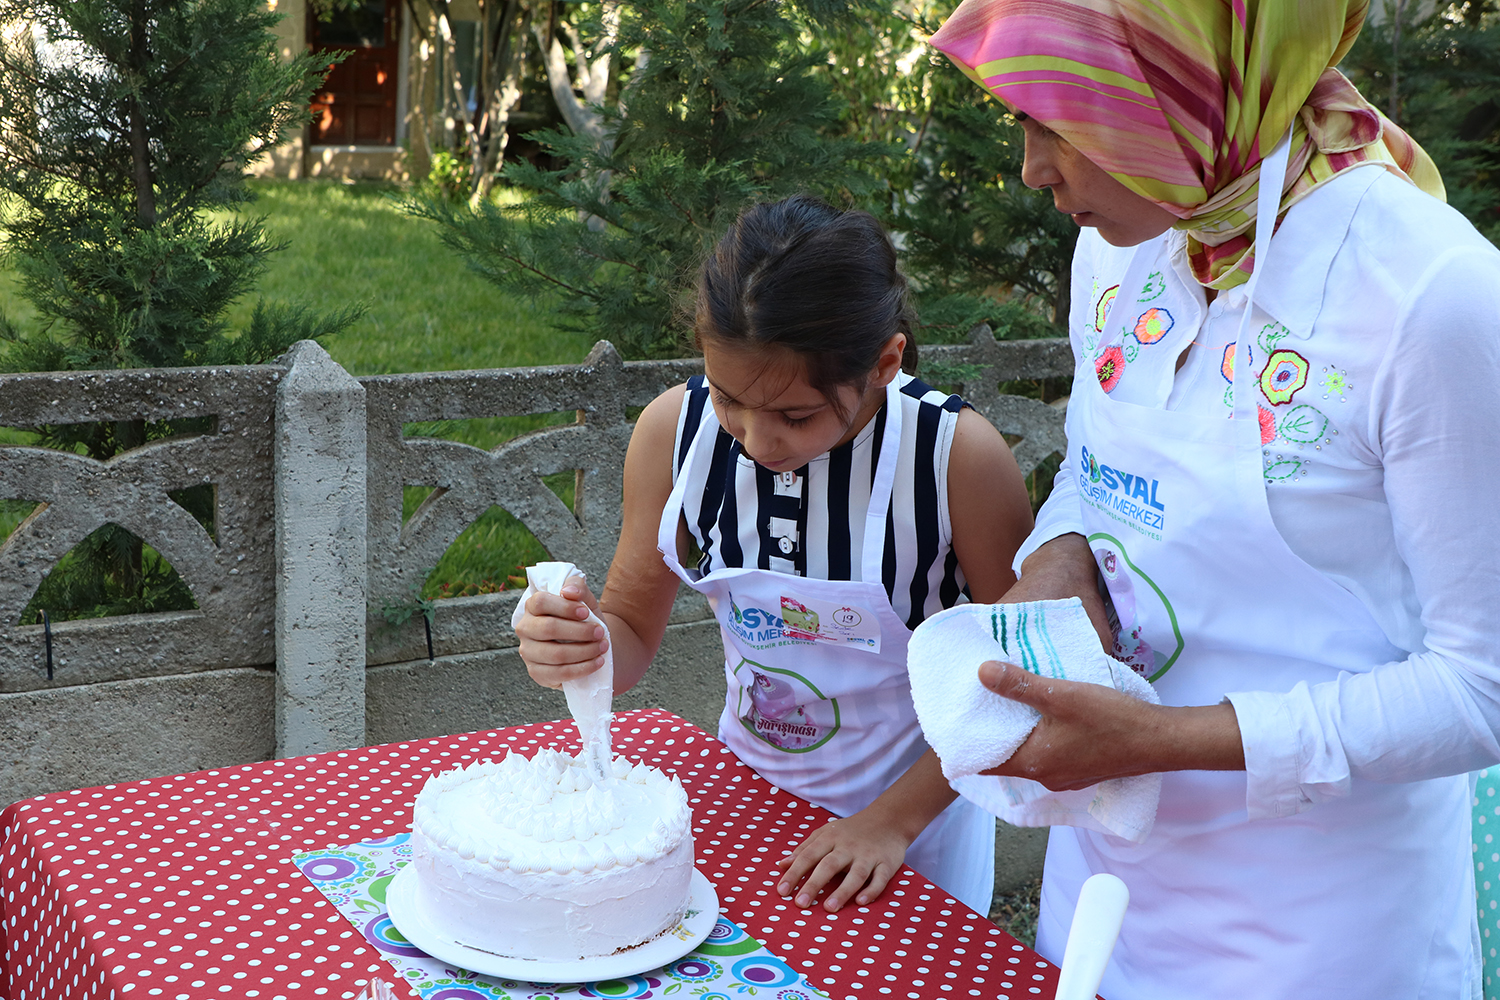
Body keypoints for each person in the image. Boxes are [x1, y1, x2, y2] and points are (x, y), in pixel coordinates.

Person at [928, 0, 1500, 997]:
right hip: (1103, 900)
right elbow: (1098, 471)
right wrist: (1056, 560)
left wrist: (1166, 741)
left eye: (1059, 115)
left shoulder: (1428, 297)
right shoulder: (1128, 234)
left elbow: (1480, 687)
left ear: (1196, 73)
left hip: (1319, 936)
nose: (1033, 168)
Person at [514, 195, 1035, 915]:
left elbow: (1021, 680)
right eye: (731, 400)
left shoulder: (953, 460)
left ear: (885, 362)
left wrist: (892, 823)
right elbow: (629, 639)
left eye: (795, 416)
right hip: (750, 805)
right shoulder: (677, 433)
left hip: (912, 835)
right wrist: (580, 644)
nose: (759, 443)